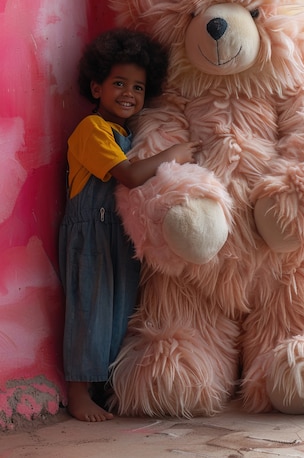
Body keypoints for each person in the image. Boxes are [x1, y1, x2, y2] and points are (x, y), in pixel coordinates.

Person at [59, 28, 201, 423]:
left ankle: (105, 387)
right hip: (90, 233)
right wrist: (173, 154)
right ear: (95, 86)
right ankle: (79, 391)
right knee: (91, 308)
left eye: (138, 87)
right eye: (119, 83)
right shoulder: (91, 131)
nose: (129, 94)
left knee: (120, 311)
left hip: (117, 233)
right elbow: (130, 176)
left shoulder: (124, 132)